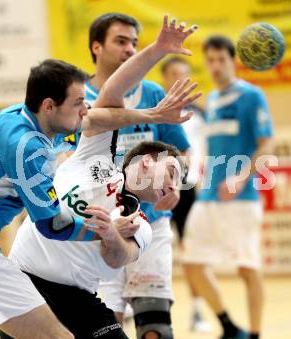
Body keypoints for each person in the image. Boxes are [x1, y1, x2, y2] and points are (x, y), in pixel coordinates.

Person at [0, 38, 194, 338]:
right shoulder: (30, 149)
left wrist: (152, 115)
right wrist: (104, 230)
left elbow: (99, 115)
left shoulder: (20, 117)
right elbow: (52, 224)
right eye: (78, 103)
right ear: (49, 105)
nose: (85, 111)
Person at [0, 15, 200, 339]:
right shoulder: (97, 153)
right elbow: (110, 95)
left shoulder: (141, 222)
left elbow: (122, 255)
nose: (175, 183)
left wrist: (110, 235)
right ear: (148, 162)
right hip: (25, 280)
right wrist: (159, 49)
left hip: (77, 293)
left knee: (154, 326)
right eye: (173, 172)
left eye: (134, 43)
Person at [85, 13, 194, 339]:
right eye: (120, 41)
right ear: (96, 47)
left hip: (151, 224)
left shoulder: (153, 93)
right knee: (105, 328)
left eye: (134, 42)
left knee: (155, 328)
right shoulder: (79, 101)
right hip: (101, 228)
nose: (130, 49)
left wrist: (177, 181)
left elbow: (182, 153)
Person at [182, 36, 274, 339]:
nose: (216, 66)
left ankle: (256, 333)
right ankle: (231, 327)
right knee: (192, 263)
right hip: (208, 196)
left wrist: (240, 177)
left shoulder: (252, 96)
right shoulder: (211, 101)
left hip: (242, 199)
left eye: (222, 59)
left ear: (232, 61)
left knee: (247, 268)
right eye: (210, 60)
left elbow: (266, 143)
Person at [160, 56, 211, 333]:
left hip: (188, 189)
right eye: (174, 74)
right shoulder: (153, 110)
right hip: (154, 189)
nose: (179, 78)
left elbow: (203, 152)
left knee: (192, 252)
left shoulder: (200, 115)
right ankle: (136, 305)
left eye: (185, 74)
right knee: (146, 247)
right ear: (165, 78)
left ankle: (198, 311)